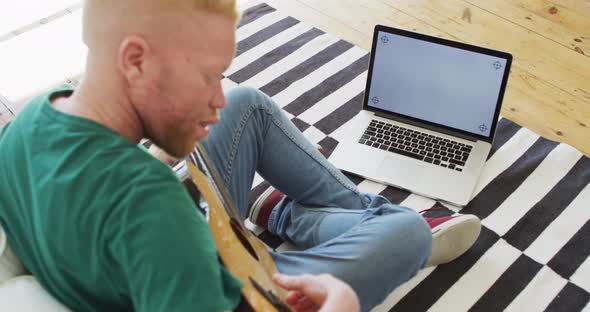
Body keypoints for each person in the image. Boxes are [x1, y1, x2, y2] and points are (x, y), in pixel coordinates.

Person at [0, 0, 481, 311]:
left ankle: (294, 212)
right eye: (207, 75)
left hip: (194, 224)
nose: (216, 97)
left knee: (247, 105)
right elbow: (149, 224)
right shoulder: (150, 206)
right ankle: (317, 218)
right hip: (240, 280)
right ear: (134, 59)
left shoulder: (24, 126)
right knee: (407, 229)